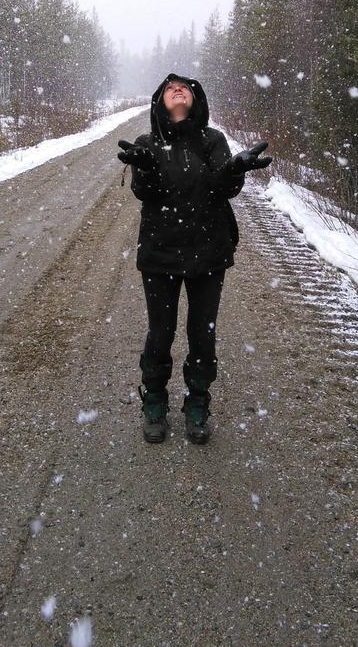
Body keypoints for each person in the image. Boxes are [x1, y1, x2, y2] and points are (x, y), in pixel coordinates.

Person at [118, 73, 272, 445]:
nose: (178, 90)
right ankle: (154, 399)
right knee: (161, 331)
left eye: (184, 87)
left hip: (209, 249)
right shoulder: (147, 143)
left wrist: (234, 168)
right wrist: (148, 166)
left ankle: (198, 401)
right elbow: (144, 192)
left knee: (202, 334)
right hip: (160, 252)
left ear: (194, 99)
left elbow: (223, 188)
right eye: (171, 88)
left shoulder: (212, 140)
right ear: (160, 101)